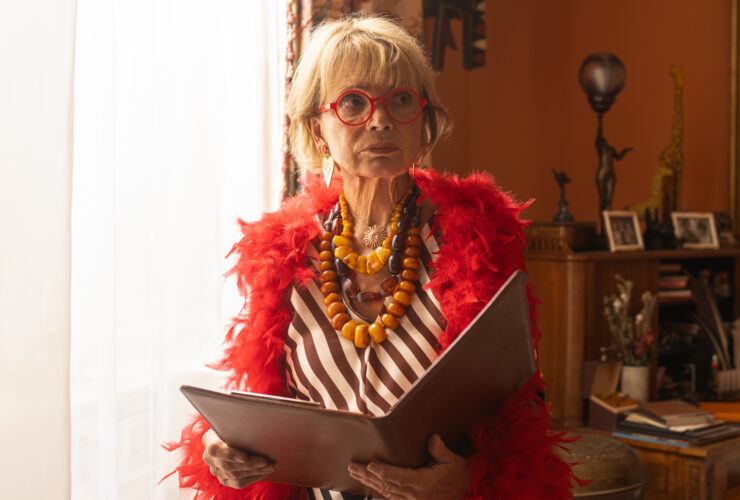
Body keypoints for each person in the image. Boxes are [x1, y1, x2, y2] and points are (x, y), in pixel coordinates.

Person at [165, 15, 576, 500]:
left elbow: (521, 411)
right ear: (318, 131)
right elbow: (262, 404)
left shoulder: (480, 237)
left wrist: (467, 486)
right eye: (354, 103)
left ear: (423, 123)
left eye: (400, 100)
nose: (380, 120)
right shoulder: (281, 256)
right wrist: (223, 448)